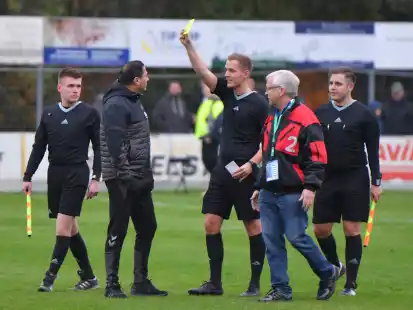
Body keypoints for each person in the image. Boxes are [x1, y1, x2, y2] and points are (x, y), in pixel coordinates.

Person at [180, 30, 268, 297]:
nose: (226, 74)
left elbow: (269, 141)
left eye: (231, 70)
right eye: (226, 70)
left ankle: (254, 284)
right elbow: (202, 71)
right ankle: (214, 284)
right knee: (210, 224)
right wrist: (188, 46)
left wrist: (252, 164)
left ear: (245, 73)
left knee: (253, 226)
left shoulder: (260, 103)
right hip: (222, 172)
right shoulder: (227, 95)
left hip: (246, 175)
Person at [250, 70, 339, 302]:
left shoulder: (306, 118)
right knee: (271, 241)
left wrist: (310, 187)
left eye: (268, 87)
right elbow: (270, 155)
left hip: (293, 191)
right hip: (270, 191)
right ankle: (281, 288)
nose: (265, 91)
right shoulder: (273, 116)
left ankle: (327, 271)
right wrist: (260, 185)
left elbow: (318, 156)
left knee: (296, 237)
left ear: (281, 91)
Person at [22, 68, 101, 292]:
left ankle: (49, 278)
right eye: (71, 86)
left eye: (78, 86)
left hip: (77, 173)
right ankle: (89, 277)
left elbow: (98, 146)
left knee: (62, 228)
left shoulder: (89, 113)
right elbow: (39, 148)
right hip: (54, 173)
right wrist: (28, 176)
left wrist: (96, 178)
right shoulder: (49, 114)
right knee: (71, 227)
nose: (76, 90)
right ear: (60, 88)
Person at [100, 60, 167, 298]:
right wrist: (126, 176)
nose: (148, 79)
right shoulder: (117, 104)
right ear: (136, 80)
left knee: (148, 226)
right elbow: (115, 145)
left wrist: (144, 175)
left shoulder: (133, 100)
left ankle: (140, 282)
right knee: (118, 228)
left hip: (138, 176)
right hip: (122, 178)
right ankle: (111, 284)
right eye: (146, 75)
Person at [313, 67, 382, 296]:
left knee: (351, 228)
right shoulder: (320, 112)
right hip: (327, 177)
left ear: (350, 86)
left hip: (355, 177)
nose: (333, 87)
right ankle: (336, 266)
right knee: (320, 229)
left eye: (338, 84)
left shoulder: (364, 114)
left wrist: (376, 181)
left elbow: (373, 151)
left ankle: (350, 284)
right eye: (331, 83)